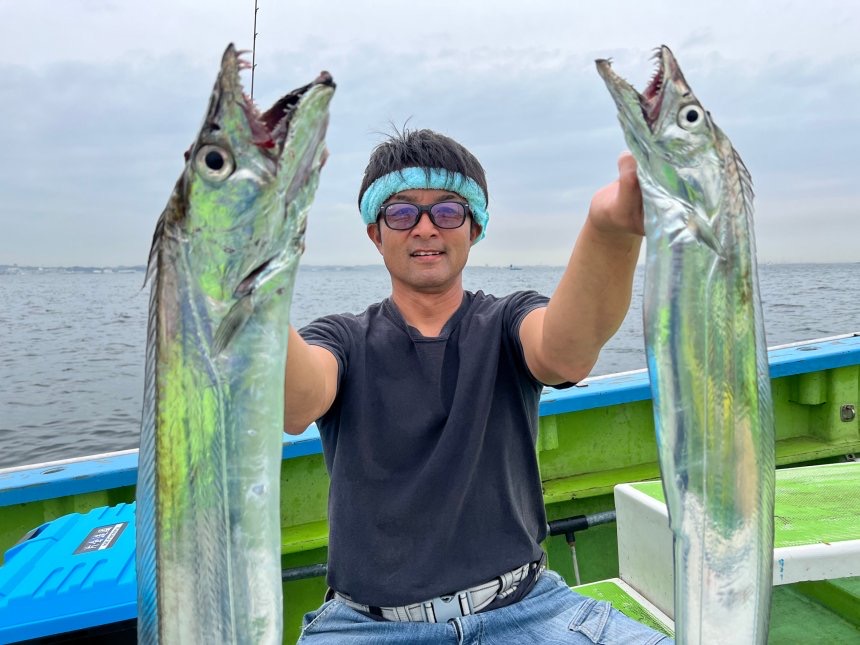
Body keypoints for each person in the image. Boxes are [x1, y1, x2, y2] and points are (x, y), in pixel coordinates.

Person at [284, 129, 671, 644]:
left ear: (476, 228)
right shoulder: (341, 338)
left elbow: (564, 354)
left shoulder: (508, 319)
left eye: (448, 212)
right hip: (365, 626)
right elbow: (296, 403)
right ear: (376, 233)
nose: (425, 227)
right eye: (402, 213)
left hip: (528, 607)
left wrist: (611, 226)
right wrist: (250, 262)